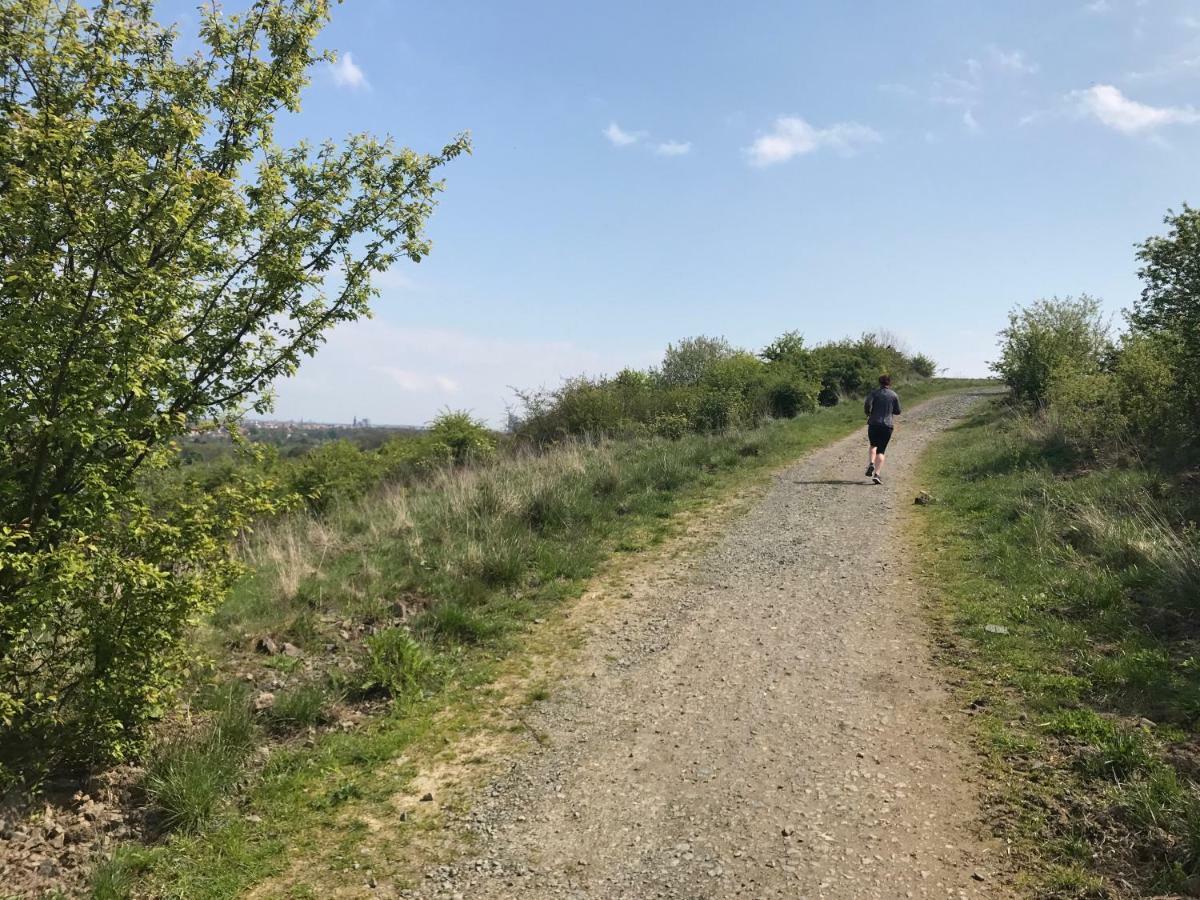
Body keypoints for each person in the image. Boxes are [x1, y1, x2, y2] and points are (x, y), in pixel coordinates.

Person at [864, 374, 901, 485]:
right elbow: (898, 411)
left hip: (874, 423)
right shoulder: (894, 395)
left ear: (880, 382)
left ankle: (871, 463)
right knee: (881, 450)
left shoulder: (874, 393)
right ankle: (877, 474)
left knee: (873, 445)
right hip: (887, 426)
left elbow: (867, 403)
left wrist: (868, 413)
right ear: (889, 383)